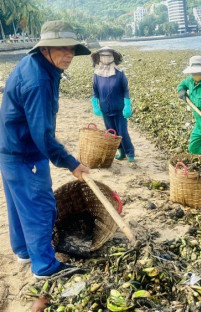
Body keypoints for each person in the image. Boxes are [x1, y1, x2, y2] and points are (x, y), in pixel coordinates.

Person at [0, 20, 91, 279]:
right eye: (61, 48)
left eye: (72, 48)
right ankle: (44, 266)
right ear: (45, 49)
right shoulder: (38, 80)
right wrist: (71, 162)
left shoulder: (39, 66)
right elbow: (42, 135)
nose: (69, 54)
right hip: (24, 152)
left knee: (20, 204)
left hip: (9, 148)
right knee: (40, 207)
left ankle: (23, 251)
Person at [90, 46, 135, 162]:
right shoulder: (97, 75)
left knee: (122, 132)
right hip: (105, 110)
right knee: (111, 134)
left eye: (108, 56)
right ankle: (121, 152)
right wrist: (95, 105)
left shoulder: (119, 74)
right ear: (99, 58)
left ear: (113, 58)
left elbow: (125, 90)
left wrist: (127, 105)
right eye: (103, 56)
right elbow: (95, 92)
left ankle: (130, 154)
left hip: (120, 110)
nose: (106, 58)